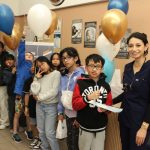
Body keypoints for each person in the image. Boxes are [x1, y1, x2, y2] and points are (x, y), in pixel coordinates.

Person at [113, 32, 150, 150]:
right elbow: (127, 92)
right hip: (125, 118)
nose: (134, 49)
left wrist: (144, 127)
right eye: (130, 46)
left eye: (138, 45)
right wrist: (109, 102)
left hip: (141, 121)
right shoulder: (127, 67)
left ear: (146, 46)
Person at [72, 54, 112, 150]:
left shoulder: (106, 85)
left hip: (101, 127)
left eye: (97, 66)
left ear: (102, 69)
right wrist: (87, 98)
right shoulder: (80, 83)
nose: (94, 69)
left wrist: (105, 109)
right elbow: (74, 105)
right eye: (91, 66)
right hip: (85, 126)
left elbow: (109, 105)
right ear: (86, 67)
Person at [31, 56, 60, 150]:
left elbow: (54, 91)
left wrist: (39, 97)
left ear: (48, 62)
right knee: (41, 131)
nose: (41, 67)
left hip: (51, 106)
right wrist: (36, 78)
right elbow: (34, 91)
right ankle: (44, 147)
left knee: (49, 132)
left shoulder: (56, 74)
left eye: (42, 64)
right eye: (39, 66)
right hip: (39, 105)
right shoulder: (39, 75)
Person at [57, 47, 85, 150]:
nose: (65, 60)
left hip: (78, 116)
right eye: (63, 58)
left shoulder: (82, 74)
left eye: (68, 57)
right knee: (70, 142)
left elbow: (85, 98)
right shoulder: (63, 75)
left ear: (76, 58)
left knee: (77, 144)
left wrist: (80, 117)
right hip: (67, 114)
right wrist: (60, 112)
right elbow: (60, 94)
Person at [12, 39, 34, 142]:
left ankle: (29, 130)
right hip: (20, 94)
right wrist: (22, 40)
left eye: (30, 56)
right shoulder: (21, 65)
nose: (28, 56)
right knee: (17, 113)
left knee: (27, 113)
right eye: (27, 55)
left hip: (29, 96)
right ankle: (15, 132)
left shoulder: (34, 69)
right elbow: (21, 52)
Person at [0, 54, 16, 130]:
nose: (9, 61)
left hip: (15, 92)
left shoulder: (16, 68)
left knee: (5, 106)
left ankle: (7, 123)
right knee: (7, 107)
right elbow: (6, 81)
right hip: (7, 91)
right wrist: (12, 73)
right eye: (7, 59)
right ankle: (8, 123)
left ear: (14, 61)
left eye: (11, 59)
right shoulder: (4, 70)